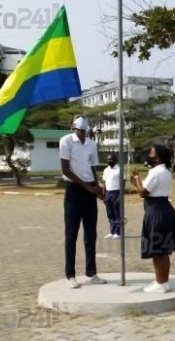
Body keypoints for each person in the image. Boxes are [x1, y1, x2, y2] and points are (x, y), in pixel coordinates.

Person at [59, 115, 107, 289]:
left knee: (91, 234)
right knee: (71, 234)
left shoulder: (91, 144)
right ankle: (70, 275)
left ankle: (91, 272)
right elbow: (65, 169)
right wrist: (87, 188)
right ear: (73, 127)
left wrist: (98, 187)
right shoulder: (66, 141)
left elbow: (92, 168)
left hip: (89, 191)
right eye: (79, 130)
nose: (82, 133)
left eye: (84, 130)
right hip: (73, 190)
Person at [130, 145, 175, 293]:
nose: (148, 155)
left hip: (157, 212)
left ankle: (161, 283)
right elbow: (144, 190)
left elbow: (143, 193)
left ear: (157, 157)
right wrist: (137, 183)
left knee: (158, 251)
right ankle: (163, 281)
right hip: (163, 209)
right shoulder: (164, 170)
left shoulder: (156, 172)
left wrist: (137, 178)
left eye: (151, 153)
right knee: (162, 250)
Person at [101, 153, 121, 239]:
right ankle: (112, 231)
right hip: (108, 193)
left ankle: (118, 232)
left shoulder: (120, 170)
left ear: (115, 160)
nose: (109, 161)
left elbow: (123, 184)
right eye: (108, 159)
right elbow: (104, 183)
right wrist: (103, 194)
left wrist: (120, 196)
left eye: (111, 159)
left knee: (117, 213)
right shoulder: (106, 170)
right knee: (109, 213)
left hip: (116, 192)